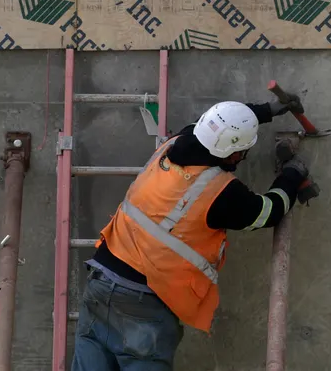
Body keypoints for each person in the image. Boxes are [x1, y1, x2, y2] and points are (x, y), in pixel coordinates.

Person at [72, 98, 314, 370]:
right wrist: (292, 176)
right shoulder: (222, 193)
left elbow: (218, 127)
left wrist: (266, 110)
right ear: (235, 155)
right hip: (142, 304)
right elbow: (268, 211)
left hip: (100, 283)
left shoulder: (177, 141)